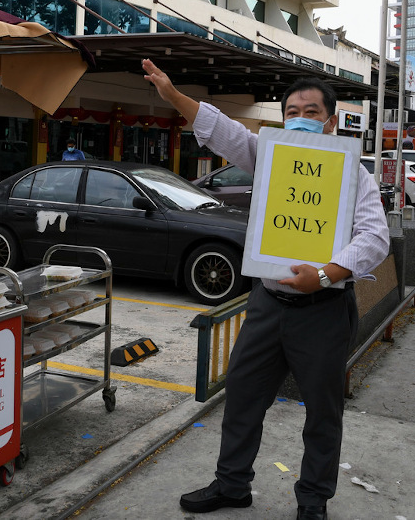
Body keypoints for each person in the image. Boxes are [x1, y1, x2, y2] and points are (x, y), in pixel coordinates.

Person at [142, 59, 390, 520]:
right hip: (267, 304)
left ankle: (313, 499)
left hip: (323, 308)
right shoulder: (269, 155)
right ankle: (232, 484)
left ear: (331, 121)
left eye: (312, 111)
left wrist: (322, 274)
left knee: (322, 412)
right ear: (282, 119)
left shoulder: (355, 173)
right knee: (241, 396)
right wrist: (173, 96)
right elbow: (224, 131)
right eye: (292, 110)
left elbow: (374, 238)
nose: (301, 117)